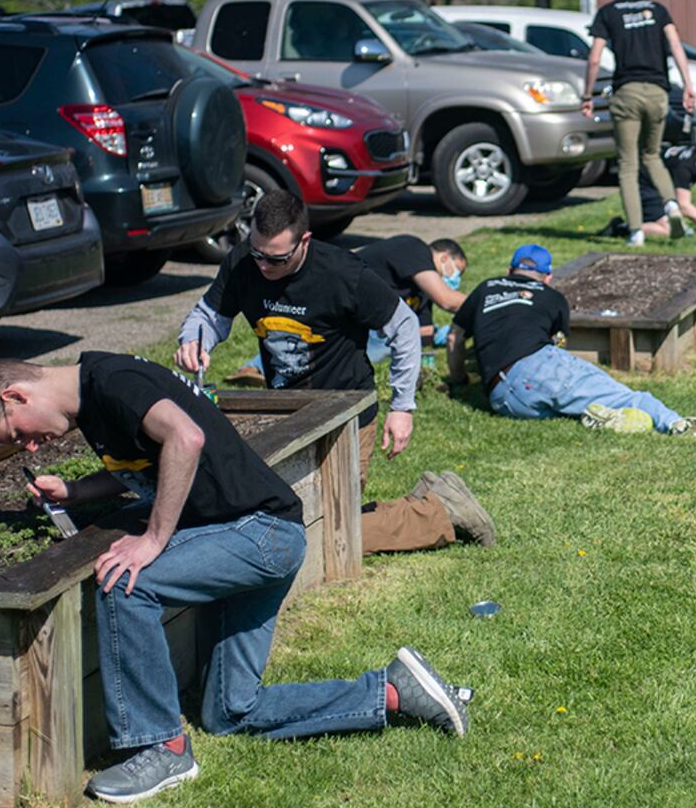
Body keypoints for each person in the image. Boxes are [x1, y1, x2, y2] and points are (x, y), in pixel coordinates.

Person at [0, 354, 470, 804]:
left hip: (258, 534)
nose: (27, 448)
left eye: (17, 434)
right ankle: (395, 692)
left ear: (15, 395)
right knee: (231, 710)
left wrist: (154, 540)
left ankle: (162, 748)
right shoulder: (96, 399)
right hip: (257, 536)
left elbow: (187, 437)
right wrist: (75, 491)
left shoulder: (112, 381)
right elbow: (143, 462)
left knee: (124, 580)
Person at [176, 190, 495, 554]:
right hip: (286, 413)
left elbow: (404, 327)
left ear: (304, 241)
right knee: (287, 521)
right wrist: (195, 340)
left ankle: (441, 513)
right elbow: (210, 315)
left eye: (276, 259)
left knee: (327, 533)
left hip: (348, 417)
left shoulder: (344, 274)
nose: (263, 266)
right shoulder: (243, 262)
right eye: (257, 253)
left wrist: (402, 407)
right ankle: (430, 501)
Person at [445, 244, 696, 438]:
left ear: (510, 271)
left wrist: (459, 380)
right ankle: (679, 425)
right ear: (547, 278)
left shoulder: (486, 288)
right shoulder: (552, 297)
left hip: (504, 400)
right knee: (629, 396)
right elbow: (556, 344)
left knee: (569, 402)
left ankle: (598, 417)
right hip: (535, 367)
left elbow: (454, 337)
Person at [227, 235, 469, 384]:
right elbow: (446, 299)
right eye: (457, 270)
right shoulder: (414, 249)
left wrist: (435, 353)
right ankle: (255, 366)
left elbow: (420, 331)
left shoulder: (419, 291)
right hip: (334, 299)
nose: (455, 277)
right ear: (445, 257)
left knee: (383, 341)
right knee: (317, 339)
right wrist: (478, 306)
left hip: (364, 320)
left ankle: (270, 369)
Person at [581, 0, 696, 248]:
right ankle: (671, 205)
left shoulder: (608, 13)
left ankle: (636, 232)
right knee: (652, 155)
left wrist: (587, 95)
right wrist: (688, 85)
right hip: (658, 92)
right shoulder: (657, 9)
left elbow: (595, 58)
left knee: (627, 165)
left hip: (627, 94)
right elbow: (675, 45)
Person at [606, 134, 696, 240]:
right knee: (671, 231)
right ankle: (623, 228)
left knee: (679, 228)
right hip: (646, 185)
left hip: (661, 186)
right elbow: (684, 206)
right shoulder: (685, 168)